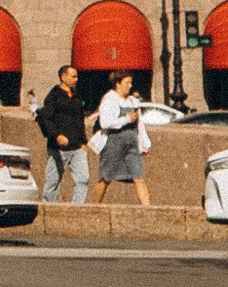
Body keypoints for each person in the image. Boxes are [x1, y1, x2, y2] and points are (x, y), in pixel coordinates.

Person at [91, 72, 157, 207]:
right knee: (105, 177)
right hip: (114, 141)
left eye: (130, 82)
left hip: (132, 141)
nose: (130, 86)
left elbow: (140, 124)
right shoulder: (110, 99)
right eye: (127, 83)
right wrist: (126, 119)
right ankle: (94, 207)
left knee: (139, 176)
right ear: (118, 84)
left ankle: (148, 209)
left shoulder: (133, 101)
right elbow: (105, 123)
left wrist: (144, 144)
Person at [35, 70, 91, 205]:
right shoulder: (54, 96)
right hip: (58, 148)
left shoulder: (77, 96)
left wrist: (84, 142)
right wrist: (57, 135)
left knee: (83, 179)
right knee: (53, 181)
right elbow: (45, 118)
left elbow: (80, 120)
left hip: (77, 146)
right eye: (73, 76)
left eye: (77, 76)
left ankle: (77, 207)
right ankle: (49, 207)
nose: (76, 79)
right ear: (63, 77)